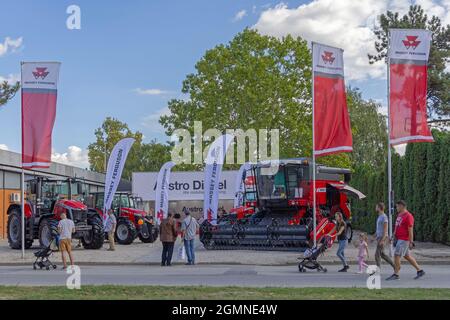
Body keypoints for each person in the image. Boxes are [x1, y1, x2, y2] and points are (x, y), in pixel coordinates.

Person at [386, 200, 425, 281]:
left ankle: (396, 274)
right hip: (399, 239)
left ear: (402, 206)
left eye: (397, 206)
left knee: (397, 255)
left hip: (404, 239)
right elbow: (396, 227)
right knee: (407, 256)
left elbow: (410, 229)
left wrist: (411, 242)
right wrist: (392, 236)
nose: (396, 208)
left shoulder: (408, 216)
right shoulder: (399, 215)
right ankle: (420, 271)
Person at [374, 202, 395, 271]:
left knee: (377, 254)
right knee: (382, 254)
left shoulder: (384, 217)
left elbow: (386, 230)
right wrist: (375, 235)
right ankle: (395, 266)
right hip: (379, 237)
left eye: (376, 206)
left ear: (379, 208)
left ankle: (378, 269)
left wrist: (383, 240)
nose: (375, 208)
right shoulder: (379, 216)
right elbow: (379, 228)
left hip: (382, 238)